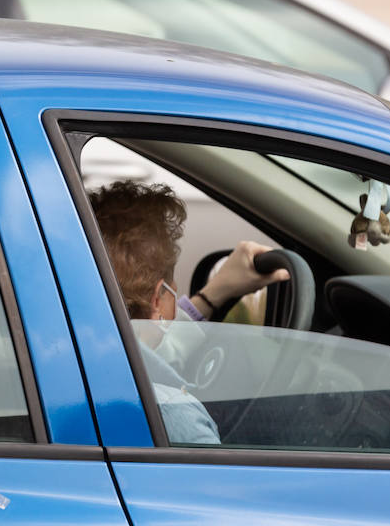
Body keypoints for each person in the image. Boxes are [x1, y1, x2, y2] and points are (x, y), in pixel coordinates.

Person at [88, 180, 288, 443]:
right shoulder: (173, 416)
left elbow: (151, 349)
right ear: (159, 300)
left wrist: (212, 295)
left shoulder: (74, 361)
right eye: (172, 291)